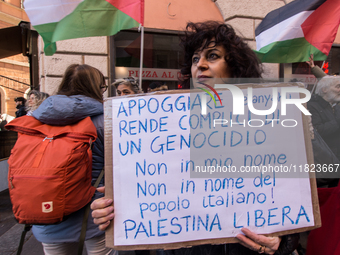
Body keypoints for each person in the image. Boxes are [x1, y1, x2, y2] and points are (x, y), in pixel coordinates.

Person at [91, 21, 299, 255]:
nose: (200, 65)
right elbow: (149, 195)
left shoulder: (271, 121)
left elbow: (295, 201)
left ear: (235, 67)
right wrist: (115, 210)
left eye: (212, 56)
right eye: (194, 59)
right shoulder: (162, 125)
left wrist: (282, 243)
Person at [31, 64, 115, 255]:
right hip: (96, 215)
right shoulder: (105, 121)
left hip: (47, 211)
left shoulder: (37, 119)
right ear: (96, 88)